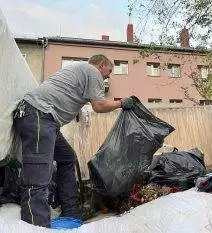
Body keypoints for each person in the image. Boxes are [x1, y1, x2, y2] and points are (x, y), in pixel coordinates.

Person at [13, 54, 134, 227]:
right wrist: (121, 103)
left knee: (67, 157)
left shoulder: (78, 70)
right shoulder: (93, 72)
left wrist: (75, 111)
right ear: (101, 65)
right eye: (109, 71)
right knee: (37, 178)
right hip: (38, 115)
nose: (109, 76)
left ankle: (71, 214)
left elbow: (66, 92)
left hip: (44, 117)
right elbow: (99, 106)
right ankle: (36, 227)